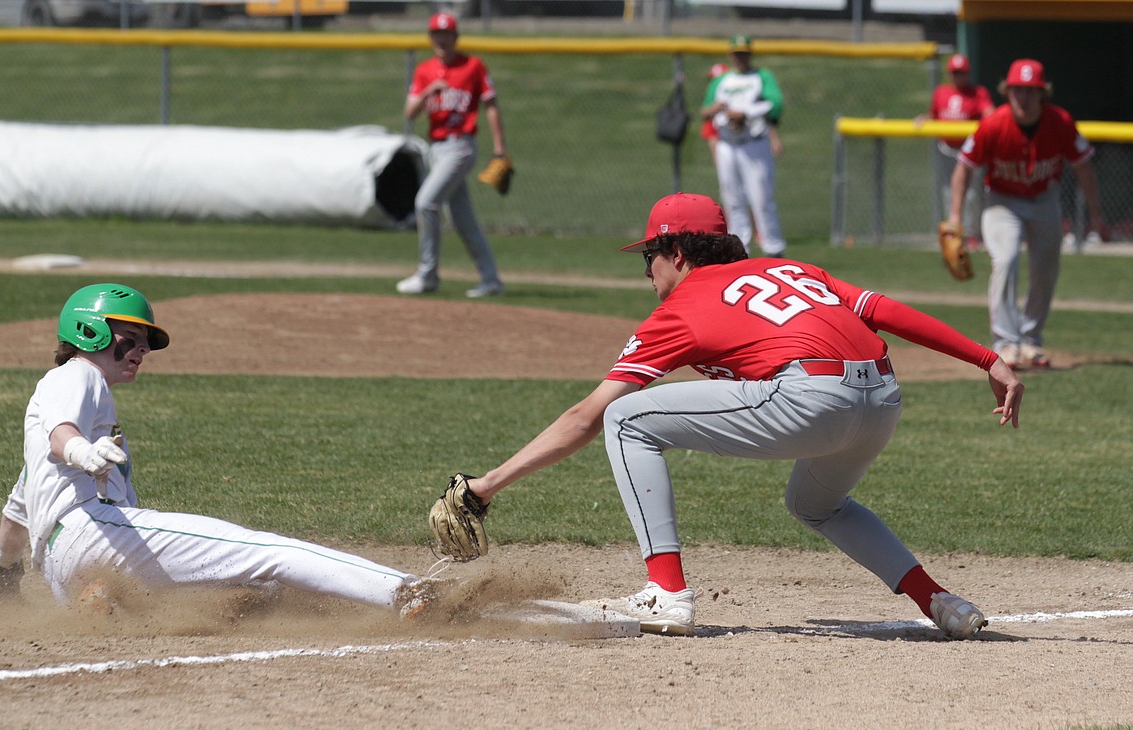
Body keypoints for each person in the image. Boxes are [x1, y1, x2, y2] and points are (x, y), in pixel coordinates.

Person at [446, 192, 1023, 638]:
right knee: (816, 505)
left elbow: (586, 416)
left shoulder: (683, 307)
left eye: (650, 258)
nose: (647, 273)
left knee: (626, 418)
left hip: (812, 397)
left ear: (676, 253)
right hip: (882, 400)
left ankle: (666, 593)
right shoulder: (791, 269)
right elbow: (883, 310)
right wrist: (987, 359)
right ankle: (938, 601)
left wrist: (485, 487)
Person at [0, 282, 438, 617]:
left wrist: (4, 575)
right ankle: (408, 594)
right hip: (97, 534)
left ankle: (104, 597)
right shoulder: (77, 375)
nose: (140, 350)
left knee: (255, 593)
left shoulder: (74, 410)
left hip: (64, 569)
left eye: (145, 344)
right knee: (266, 552)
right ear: (91, 331)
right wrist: (82, 453)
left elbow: (18, 510)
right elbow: (62, 435)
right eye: (130, 338)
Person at [947, 59, 1106, 370]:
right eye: (1017, 90)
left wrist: (1097, 216)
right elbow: (963, 168)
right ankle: (1006, 344)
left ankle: (1031, 341)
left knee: (1046, 269)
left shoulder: (1059, 121)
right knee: (1005, 259)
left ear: (1042, 93)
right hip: (1002, 201)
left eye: (1031, 91)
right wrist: (955, 217)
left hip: (1044, 198)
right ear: (1007, 92)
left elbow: (1084, 168)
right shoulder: (994, 124)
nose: (1023, 97)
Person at [396, 11, 507, 298]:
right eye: (437, 34)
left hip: (461, 146)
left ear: (456, 37)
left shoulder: (473, 66)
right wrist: (428, 91)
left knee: (426, 203)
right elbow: (410, 112)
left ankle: (427, 275)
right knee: (463, 220)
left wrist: (499, 149)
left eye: (446, 34)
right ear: (431, 38)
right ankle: (491, 279)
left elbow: (491, 105)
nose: (442, 39)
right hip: (436, 148)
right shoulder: (424, 71)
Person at [700, 35, 786, 257]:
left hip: (753, 143)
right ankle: (740, 251)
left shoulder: (761, 77)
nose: (741, 57)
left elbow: (775, 105)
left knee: (761, 198)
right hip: (727, 144)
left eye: (744, 53)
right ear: (731, 55)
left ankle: (773, 249)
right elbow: (705, 110)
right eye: (737, 53)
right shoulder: (722, 81)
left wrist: (746, 113)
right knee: (732, 198)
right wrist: (718, 109)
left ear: (750, 54)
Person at [919, 53, 995, 248]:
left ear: (968, 73)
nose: (957, 76)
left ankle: (972, 233)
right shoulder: (941, 92)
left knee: (971, 195)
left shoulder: (978, 93)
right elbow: (933, 114)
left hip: (969, 151)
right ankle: (952, 233)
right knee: (948, 193)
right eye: (954, 72)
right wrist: (924, 119)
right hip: (946, 150)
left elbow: (990, 114)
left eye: (961, 73)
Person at [699, 62, 729, 161]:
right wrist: (715, 108)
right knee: (721, 163)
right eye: (713, 79)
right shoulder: (711, 91)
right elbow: (704, 113)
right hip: (714, 127)